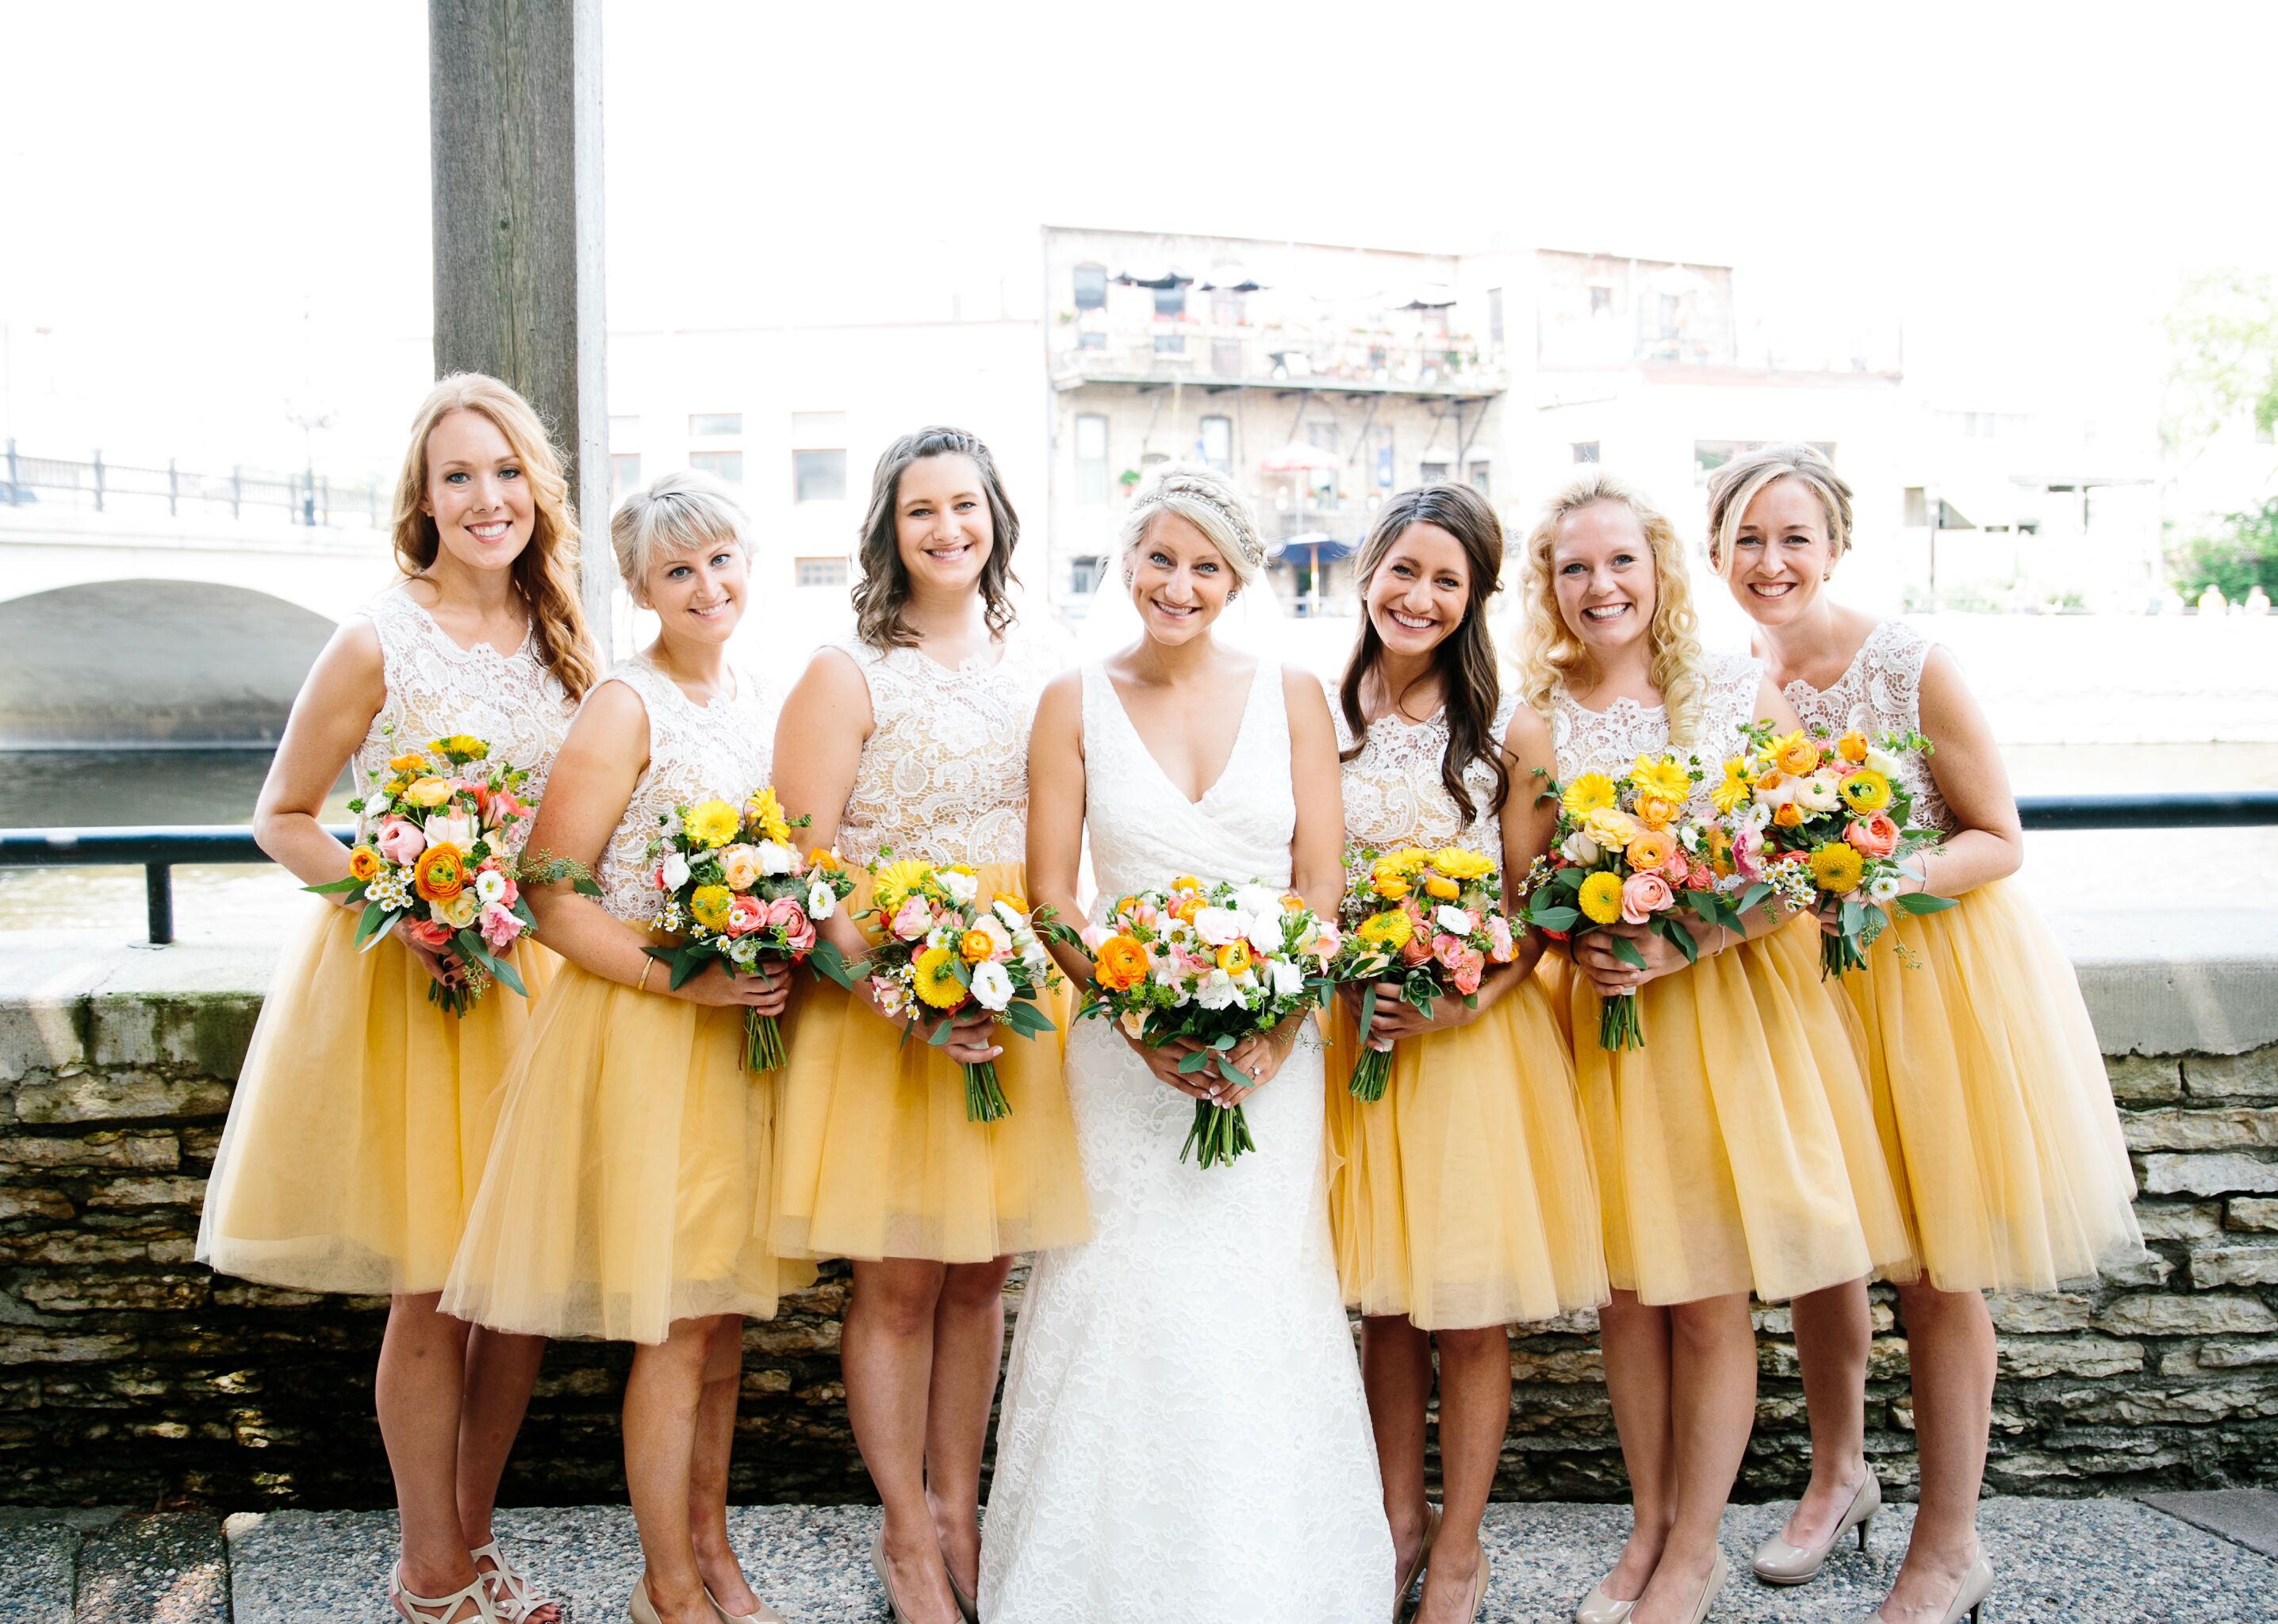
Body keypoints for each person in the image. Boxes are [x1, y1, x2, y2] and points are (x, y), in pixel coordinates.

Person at [1705, 444, 2142, 1624]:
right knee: (1818, 1247)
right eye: (1748, 538)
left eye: (1794, 537)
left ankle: (1949, 1547)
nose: (1771, 561)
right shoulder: (1721, 673)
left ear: (1835, 545)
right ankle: (1839, 1476)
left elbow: (1999, 836)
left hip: (1929, 989)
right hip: (1803, 990)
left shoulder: (1910, 664)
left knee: (1939, 1274)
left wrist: (1883, 874)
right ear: (1715, 553)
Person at [198, 373, 596, 1624]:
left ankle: (466, 1552)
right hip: (420, 986)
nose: (487, 498)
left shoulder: (567, 636)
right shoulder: (379, 635)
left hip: (534, 981)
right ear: (423, 504)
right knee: (435, 1284)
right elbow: (284, 819)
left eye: (505, 472)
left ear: (537, 486)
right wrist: (408, 901)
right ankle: (431, 1570)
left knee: (520, 1291)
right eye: (458, 477)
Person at [982, 465, 1394, 1623]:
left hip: (1280, 1055)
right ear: (1127, 563)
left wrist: (1270, 1028)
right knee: (1117, 1295)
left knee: (1263, 1297)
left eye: (1206, 565)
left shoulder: (1297, 693)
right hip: (1126, 1056)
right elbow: (1055, 899)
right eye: (1161, 558)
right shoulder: (1071, 699)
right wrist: (1140, 1021)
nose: (1180, 583)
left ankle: (1276, 1579)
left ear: (1238, 580)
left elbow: (1320, 886)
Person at [1513, 468, 1913, 1624]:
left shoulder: (1738, 691)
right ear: (1550, 585)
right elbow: (1527, 894)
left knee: (1709, 1299)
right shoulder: (1541, 722)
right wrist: (1575, 934)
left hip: (1728, 1024)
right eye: (1575, 566)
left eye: (1621, 561)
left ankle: (1694, 1552)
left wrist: (1683, 946)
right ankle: (1643, 1534)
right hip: (1609, 1039)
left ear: (1659, 572)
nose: (1601, 586)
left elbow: (1800, 869)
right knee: (1630, 1297)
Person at [441, 471, 810, 1624]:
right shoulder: (623, 703)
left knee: (725, 1314)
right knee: (673, 1318)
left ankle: (713, 1550)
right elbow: (549, 889)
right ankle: (667, 1585)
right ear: (644, 589)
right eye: (678, 572)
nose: (708, 586)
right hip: (651, 1038)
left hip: (747, 1038)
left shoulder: (762, 697)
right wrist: (676, 980)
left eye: (722, 560)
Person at [771, 428, 1088, 1624]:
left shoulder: (1045, 657)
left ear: (997, 516)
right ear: (888, 531)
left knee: (982, 1276)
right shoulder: (845, 670)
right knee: (899, 1282)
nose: (948, 528)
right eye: (922, 512)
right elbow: (797, 872)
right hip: (888, 1004)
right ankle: (906, 1531)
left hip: (1015, 1000)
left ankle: (963, 1509)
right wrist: (901, 992)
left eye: (966, 506)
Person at [1324, 484, 1606, 1622]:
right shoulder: (1316, 712)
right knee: (1384, 1307)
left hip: (1473, 1046)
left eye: (1448, 580)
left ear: (1477, 596)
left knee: (1467, 1310)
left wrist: (1458, 1004)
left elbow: (1538, 914)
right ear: (1368, 572)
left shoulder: (1508, 732)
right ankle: (1396, 1521)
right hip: (1358, 1040)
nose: (1420, 598)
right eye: (1405, 571)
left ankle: (1462, 1546)